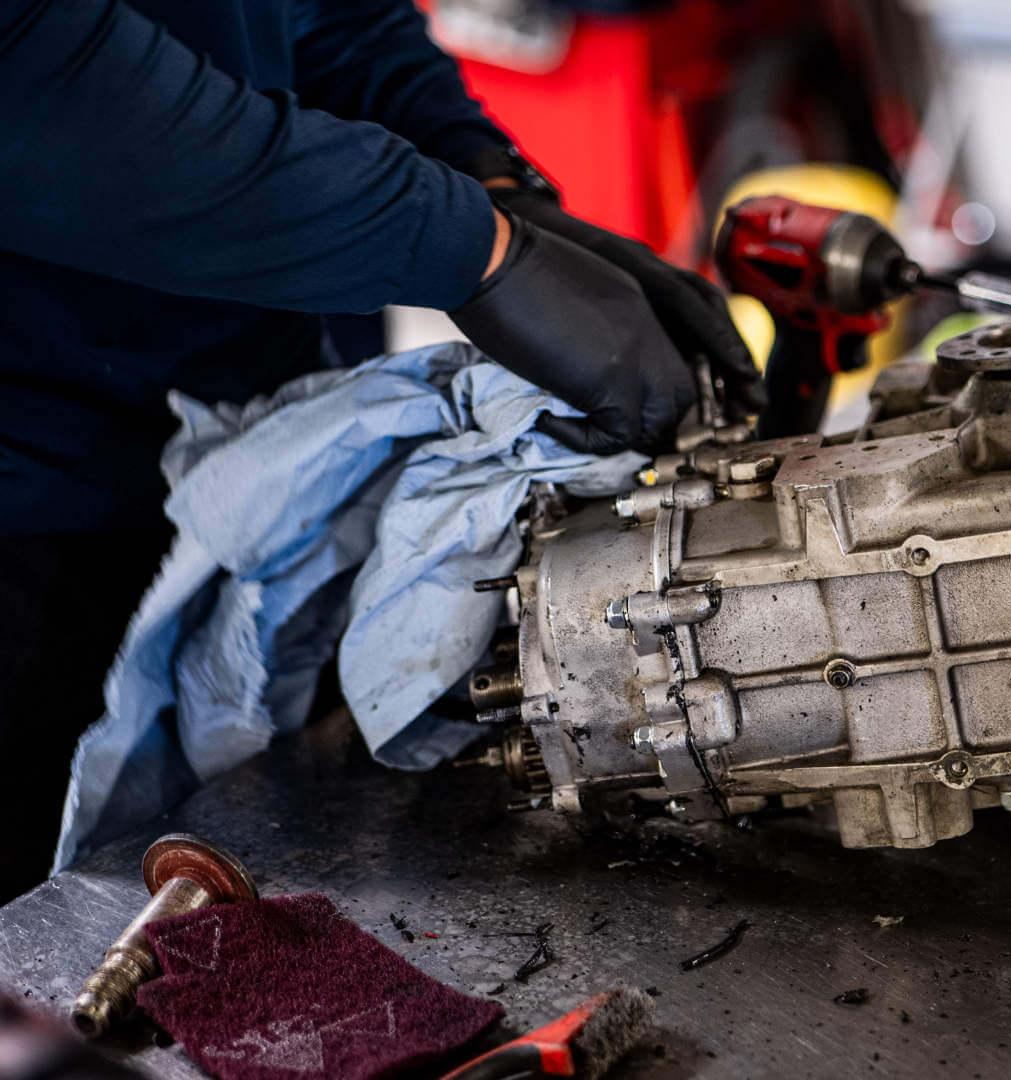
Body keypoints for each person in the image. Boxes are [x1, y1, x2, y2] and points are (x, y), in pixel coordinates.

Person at [0, 0, 763, 900]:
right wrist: (474, 246)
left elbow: (319, 15)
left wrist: (488, 177)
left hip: (262, 465)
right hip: (29, 505)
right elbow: (43, 90)